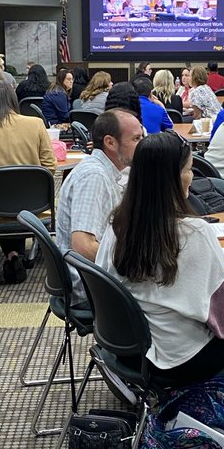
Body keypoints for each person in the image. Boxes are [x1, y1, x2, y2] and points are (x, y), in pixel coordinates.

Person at [96, 131, 224, 389]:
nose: (192, 177)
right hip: (182, 357)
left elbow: (103, 282)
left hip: (128, 349)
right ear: (173, 178)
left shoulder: (116, 225)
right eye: (189, 169)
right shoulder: (194, 232)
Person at [0, 80, 57, 283]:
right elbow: (49, 166)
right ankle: (17, 255)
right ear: (13, 99)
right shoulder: (35, 124)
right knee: (19, 199)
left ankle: (12, 255)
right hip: (36, 207)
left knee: (6, 201)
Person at [56, 108, 144, 303]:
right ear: (110, 142)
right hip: (90, 287)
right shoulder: (94, 177)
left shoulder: (104, 170)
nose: (142, 144)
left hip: (96, 277)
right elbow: (83, 245)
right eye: (136, 139)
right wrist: (133, 263)